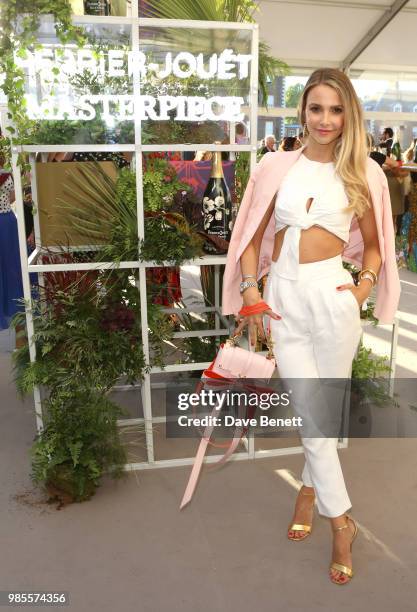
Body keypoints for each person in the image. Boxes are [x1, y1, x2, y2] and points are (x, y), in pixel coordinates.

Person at [221, 68, 400, 585]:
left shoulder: (364, 172)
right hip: (282, 298)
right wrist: (252, 292)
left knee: (323, 411)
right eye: (316, 108)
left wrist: (364, 288)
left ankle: (307, 489)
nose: (325, 119)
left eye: (336, 109)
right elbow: (251, 234)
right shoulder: (276, 165)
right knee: (310, 410)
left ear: (350, 116)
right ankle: (341, 523)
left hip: (333, 297)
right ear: (302, 111)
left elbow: (373, 242)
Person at [0, 152, 24, 334]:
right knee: (10, 265)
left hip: (7, 221)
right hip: (7, 221)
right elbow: (13, 197)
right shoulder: (7, 174)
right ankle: (12, 306)